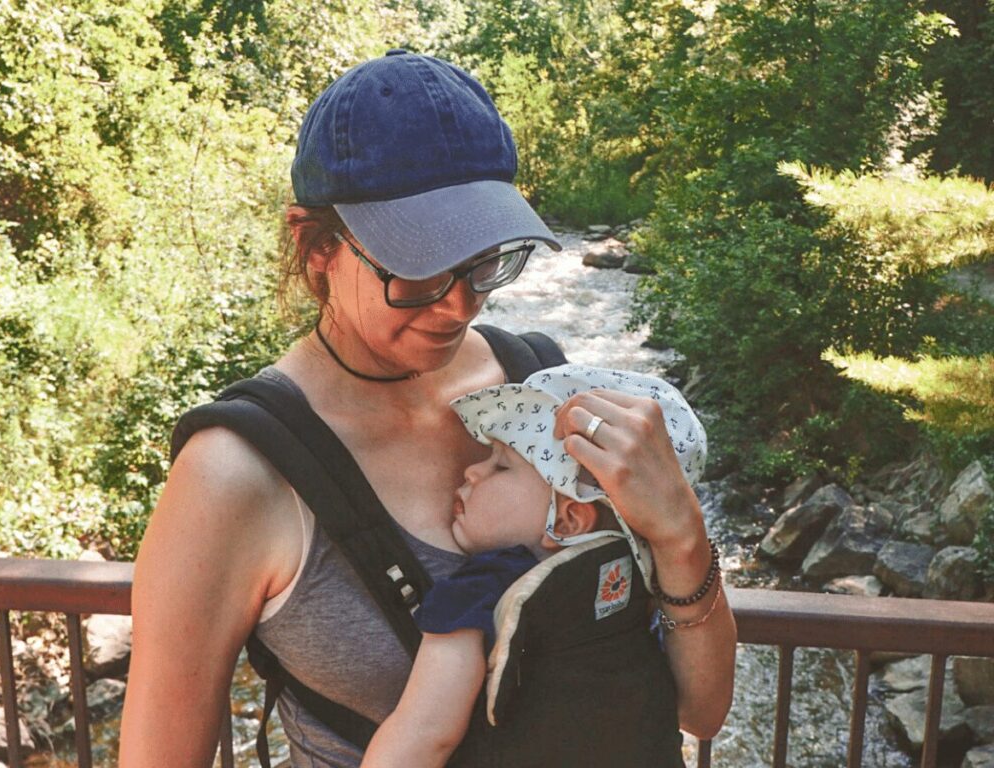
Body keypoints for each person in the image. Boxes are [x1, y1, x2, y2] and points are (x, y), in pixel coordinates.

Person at [119, 50, 737, 768]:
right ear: (315, 246)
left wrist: (680, 534)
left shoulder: (542, 388)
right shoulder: (234, 477)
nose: (458, 305)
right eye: (416, 269)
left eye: (483, 261)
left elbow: (700, 709)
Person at [362, 364, 724, 768]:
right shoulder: (639, 581)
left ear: (567, 519)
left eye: (501, 466)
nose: (472, 471)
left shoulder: (479, 588)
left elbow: (426, 733)